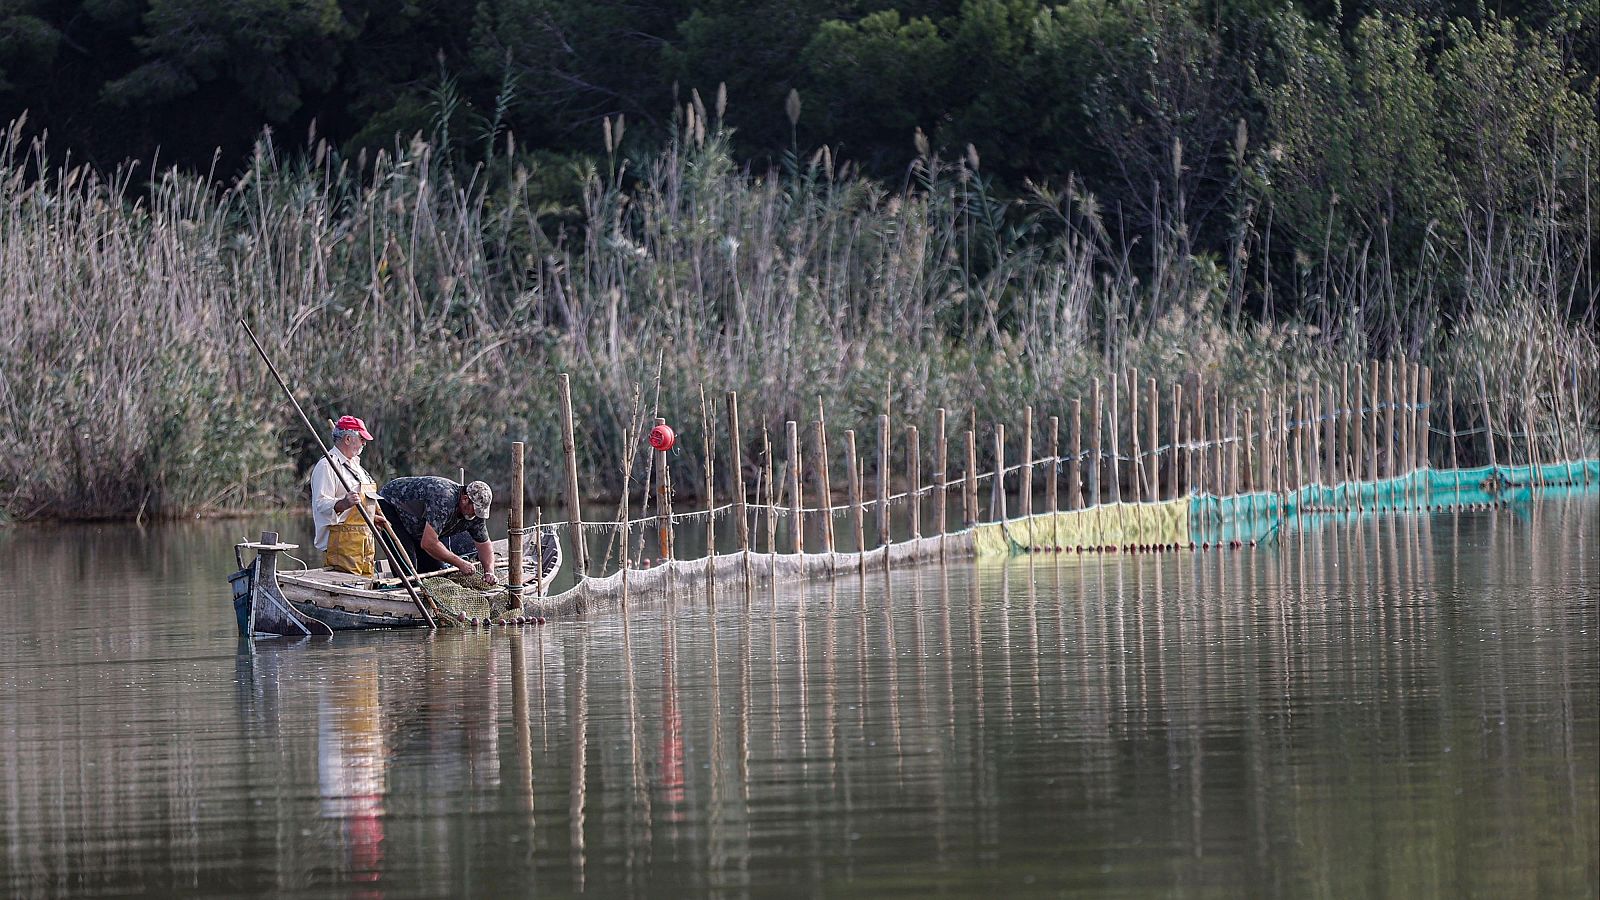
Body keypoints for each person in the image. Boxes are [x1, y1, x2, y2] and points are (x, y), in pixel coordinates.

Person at [376, 476, 498, 584]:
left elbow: (484, 544)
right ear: (465, 499)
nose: (476, 515)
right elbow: (428, 543)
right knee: (408, 571)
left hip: (419, 522)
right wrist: (460, 563)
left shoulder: (475, 516)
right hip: (391, 504)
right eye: (475, 510)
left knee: (437, 573)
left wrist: (489, 571)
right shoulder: (445, 499)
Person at [311, 416, 387, 575]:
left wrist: (372, 517)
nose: (364, 443)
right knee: (349, 586)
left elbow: (362, 505)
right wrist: (343, 503)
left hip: (365, 543)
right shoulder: (327, 465)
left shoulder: (357, 467)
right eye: (361, 439)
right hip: (342, 546)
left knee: (366, 585)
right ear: (347, 439)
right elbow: (321, 505)